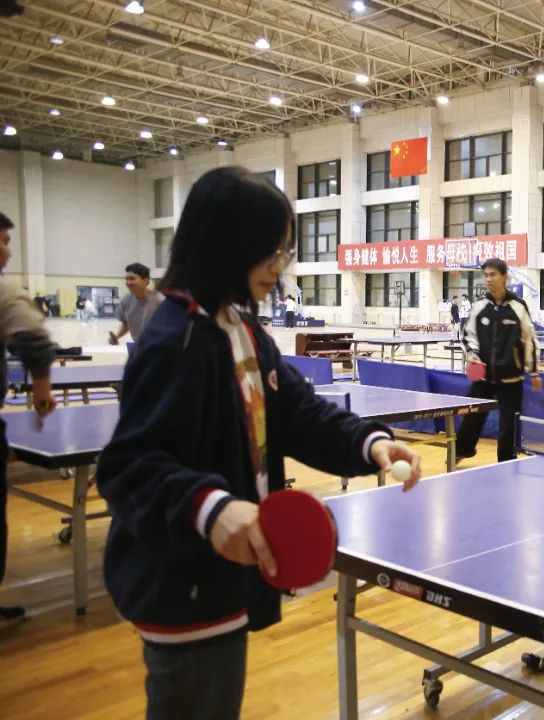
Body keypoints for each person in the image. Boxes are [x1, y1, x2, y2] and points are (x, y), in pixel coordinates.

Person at [94, 167, 422, 720]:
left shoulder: (240, 329)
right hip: (184, 585)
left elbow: (298, 413)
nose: (279, 266)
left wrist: (369, 443)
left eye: (284, 252)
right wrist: (210, 506)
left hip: (225, 577)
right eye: (272, 251)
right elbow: (128, 466)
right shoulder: (176, 340)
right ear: (229, 246)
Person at [0, 211, 58, 623]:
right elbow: (35, 339)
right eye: (3, 240)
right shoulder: (5, 290)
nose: (8, 251)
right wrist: (41, 386)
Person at [456, 258, 542, 463]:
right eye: (485, 275)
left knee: (509, 424)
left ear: (504, 277)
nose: (488, 279)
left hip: (512, 377)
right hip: (484, 376)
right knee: (471, 417)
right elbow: (468, 335)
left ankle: (507, 462)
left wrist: (533, 371)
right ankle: (461, 451)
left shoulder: (518, 306)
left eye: (493, 274)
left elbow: (529, 339)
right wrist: (473, 355)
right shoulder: (479, 306)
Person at [109, 262, 162, 345]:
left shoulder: (160, 300)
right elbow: (126, 323)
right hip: (139, 345)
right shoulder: (125, 300)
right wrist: (117, 336)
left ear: (145, 281)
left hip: (160, 346)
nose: (128, 282)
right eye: (127, 279)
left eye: (132, 279)